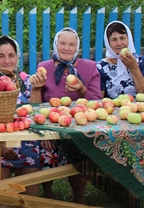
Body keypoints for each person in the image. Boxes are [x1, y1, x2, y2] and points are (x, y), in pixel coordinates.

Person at [30, 27, 102, 204]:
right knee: (44, 149)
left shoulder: (90, 67)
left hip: (79, 127)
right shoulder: (43, 67)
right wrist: (36, 88)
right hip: (51, 126)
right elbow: (35, 107)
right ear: (56, 45)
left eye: (72, 44)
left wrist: (82, 89)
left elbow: (97, 103)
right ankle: (48, 193)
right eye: (62, 43)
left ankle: (78, 198)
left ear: (77, 47)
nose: (67, 48)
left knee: (80, 153)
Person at [0, 35, 41, 205]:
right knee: (0, 163)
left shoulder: (27, 80)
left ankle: (28, 203)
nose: (7, 60)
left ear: (18, 56)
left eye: (11, 55)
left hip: (24, 138)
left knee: (31, 159)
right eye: (2, 56)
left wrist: (36, 89)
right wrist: (2, 144)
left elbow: (35, 112)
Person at [96, 21, 144, 99]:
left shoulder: (140, 61)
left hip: (140, 109)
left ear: (129, 39)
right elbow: (98, 99)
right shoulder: (101, 67)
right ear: (108, 43)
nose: (119, 43)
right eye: (114, 39)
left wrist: (134, 68)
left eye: (122, 38)